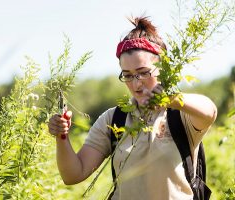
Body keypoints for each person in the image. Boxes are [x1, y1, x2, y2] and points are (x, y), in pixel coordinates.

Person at [48, 16, 217, 200]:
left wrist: (172, 100)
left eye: (143, 73)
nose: (136, 83)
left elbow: (210, 111)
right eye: (127, 75)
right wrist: (61, 136)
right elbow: (73, 174)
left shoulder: (180, 115)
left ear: (164, 67)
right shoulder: (113, 119)